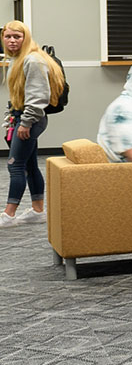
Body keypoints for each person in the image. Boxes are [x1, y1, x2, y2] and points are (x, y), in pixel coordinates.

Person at [1, 19, 65, 227]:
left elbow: (39, 97)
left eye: (17, 37)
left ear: (25, 38)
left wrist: (25, 123)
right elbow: (19, 94)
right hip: (22, 116)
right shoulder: (17, 59)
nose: (12, 41)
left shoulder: (33, 60)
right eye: (8, 36)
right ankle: (38, 210)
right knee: (28, 164)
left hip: (31, 119)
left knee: (15, 165)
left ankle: (8, 215)